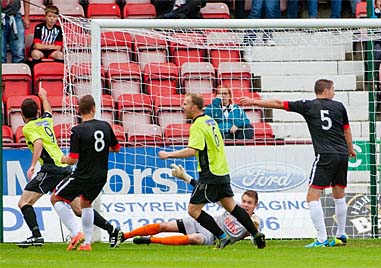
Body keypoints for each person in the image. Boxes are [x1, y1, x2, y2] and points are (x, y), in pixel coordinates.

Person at [240, 79, 356, 248]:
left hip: (325, 155)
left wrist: (253, 101)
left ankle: (322, 239)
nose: (334, 93)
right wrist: (351, 149)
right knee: (339, 195)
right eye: (333, 90)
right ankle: (341, 235)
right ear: (325, 91)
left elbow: (279, 103)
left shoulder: (308, 105)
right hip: (342, 154)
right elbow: (347, 129)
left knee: (312, 197)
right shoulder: (339, 107)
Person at [157, 93, 266, 249]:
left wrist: (168, 154)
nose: (183, 107)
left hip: (210, 173)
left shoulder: (197, 125)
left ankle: (222, 237)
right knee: (232, 207)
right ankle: (256, 234)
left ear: (194, 107)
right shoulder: (211, 121)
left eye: (185, 104)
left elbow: (193, 150)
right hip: (222, 170)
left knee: (193, 210)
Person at [16, 88, 120, 248]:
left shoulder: (28, 128)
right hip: (63, 167)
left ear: (22, 115)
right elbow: (49, 111)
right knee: (80, 208)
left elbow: (38, 143)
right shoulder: (46, 121)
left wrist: (32, 166)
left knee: (24, 202)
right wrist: (44, 96)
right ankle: (111, 229)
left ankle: (37, 236)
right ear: (38, 112)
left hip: (50, 169)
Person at [113, 164, 261, 247]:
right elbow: (205, 191)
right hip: (206, 223)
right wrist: (185, 177)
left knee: (195, 238)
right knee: (164, 226)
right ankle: (124, 236)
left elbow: (255, 230)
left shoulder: (255, 221)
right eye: (244, 201)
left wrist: (254, 230)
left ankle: (150, 240)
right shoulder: (232, 207)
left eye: (249, 203)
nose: (246, 205)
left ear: (255, 205)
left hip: (211, 236)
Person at [51, 95, 121, 251]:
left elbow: (73, 159)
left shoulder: (77, 130)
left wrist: (63, 159)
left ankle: (76, 233)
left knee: (56, 197)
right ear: (94, 108)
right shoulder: (105, 126)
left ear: (78, 111)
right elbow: (117, 148)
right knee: (85, 204)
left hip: (83, 175)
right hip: (101, 175)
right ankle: (87, 243)